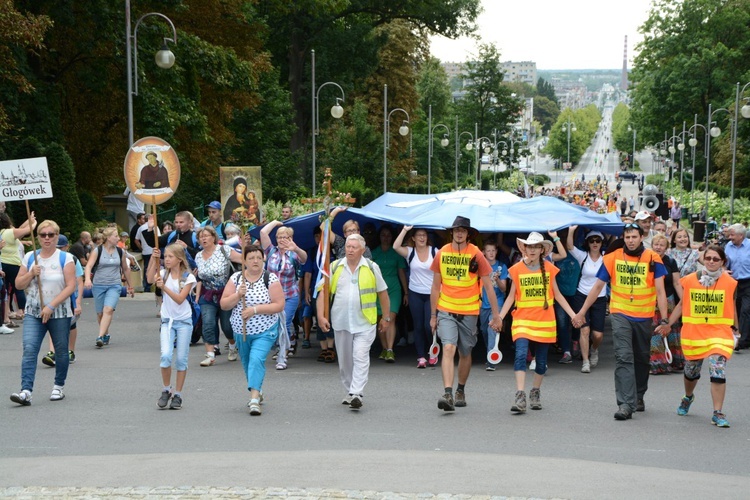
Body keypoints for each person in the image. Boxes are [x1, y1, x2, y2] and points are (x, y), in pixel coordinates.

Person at [573, 222, 669, 421]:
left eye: (634, 237)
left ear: (641, 238)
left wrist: (666, 319)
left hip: (644, 317)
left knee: (642, 359)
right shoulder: (612, 258)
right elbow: (598, 286)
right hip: (620, 314)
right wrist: (581, 312)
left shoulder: (653, 258)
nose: (631, 241)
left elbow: (660, 291)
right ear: (623, 239)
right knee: (624, 357)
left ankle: (639, 395)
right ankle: (625, 404)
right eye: (627, 237)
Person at [656, 245, 737, 428]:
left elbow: (732, 307)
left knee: (718, 369)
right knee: (691, 372)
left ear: (722, 262)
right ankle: (688, 396)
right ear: (703, 259)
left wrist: (736, 329)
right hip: (694, 333)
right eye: (708, 258)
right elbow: (681, 305)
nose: (711, 262)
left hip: (719, 333)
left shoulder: (730, 283)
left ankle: (717, 412)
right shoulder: (690, 280)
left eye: (716, 259)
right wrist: (668, 324)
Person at [498, 232, 577, 413]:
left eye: (536, 247)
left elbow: (557, 295)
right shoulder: (516, 269)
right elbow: (511, 297)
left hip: (544, 322)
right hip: (522, 320)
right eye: (529, 246)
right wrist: (500, 318)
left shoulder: (549, 268)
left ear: (542, 250)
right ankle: (520, 395)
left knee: (541, 363)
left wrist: (573, 315)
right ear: (524, 248)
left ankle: (535, 391)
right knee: (520, 355)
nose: (532, 250)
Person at [430, 216, 502, 412]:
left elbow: (488, 286)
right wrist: (434, 315)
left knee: (465, 353)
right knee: (448, 348)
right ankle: (447, 393)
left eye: (463, 230)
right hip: (446, 309)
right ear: (451, 233)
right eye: (456, 230)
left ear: (468, 234)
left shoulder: (476, 254)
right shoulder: (442, 253)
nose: (459, 233)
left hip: (470, 312)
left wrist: (496, 316)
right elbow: (436, 287)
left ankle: (460, 389)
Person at [317, 234, 389, 410]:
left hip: (365, 321)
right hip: (341, 321)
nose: (349, 250)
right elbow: (322, 293)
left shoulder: (372, 267)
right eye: (348, 246)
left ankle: (357, 393)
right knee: (345, 361)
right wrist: (320, 316)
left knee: (360, 355)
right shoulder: (334, 267)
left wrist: (386, 317)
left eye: (354, 247)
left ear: (362, 250)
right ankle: (350, 390)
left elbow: (383, 293)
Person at [9, 220, 76, 405]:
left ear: (57, 236)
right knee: (29, 349)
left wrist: (51, 306)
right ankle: (26, 391)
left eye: (51, 235)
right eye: (43, 235)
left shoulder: (65, 258)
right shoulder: (31, 257)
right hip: (33, 311)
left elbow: (71, 286)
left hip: (59, 312)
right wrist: (31, 273)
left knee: (61, 351)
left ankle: (58, 386)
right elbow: (18, 284)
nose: (47, 238)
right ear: (37, 237)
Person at [221, 244, 285, 416]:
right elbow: (224, 304)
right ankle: (257, 389)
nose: (255, 261)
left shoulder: (270, 279)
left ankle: (254, 399)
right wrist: (237, 295)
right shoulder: (236, 279)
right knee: (248, 364)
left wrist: (255, 310)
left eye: (258, 257)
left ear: (263, 258)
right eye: (251, 258)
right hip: (241, 331)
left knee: (256, 360)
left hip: (265, 330)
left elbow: (279, 305)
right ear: (244, 261)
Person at [147, 244, 196, 410]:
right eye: (165, 256)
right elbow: (148, 279)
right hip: (168, 321)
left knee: (181, 359)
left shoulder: (188, 278)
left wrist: (164, 287)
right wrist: (154, 260)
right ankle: (166, 389)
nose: (166, 259)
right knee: (166, 356)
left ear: (179, 259)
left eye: (170, 256)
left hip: (184, 322)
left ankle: (178, 394)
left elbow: (180, 299)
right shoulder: (162, 274)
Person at [260, 220, 307, 370]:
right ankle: (286, 342)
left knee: (284, 323)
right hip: (271, 296)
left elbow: (305, 259)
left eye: (285, 237)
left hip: (290, 294)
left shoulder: (294, 253)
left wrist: (296, 248)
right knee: (273, 324)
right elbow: (263, 233)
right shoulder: (270, 251)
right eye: (279, 237)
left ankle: (282, 355)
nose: (281, 239)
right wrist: (275, 223)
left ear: (291, 238)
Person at [194, 226, 243, 366]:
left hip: (225, 293)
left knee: (227, 326)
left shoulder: (224, 250)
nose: (203, 238)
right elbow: (199, 278)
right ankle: (210, 354)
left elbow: (243, 260)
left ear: (213, 237)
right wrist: (197, 296)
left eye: (206, 235)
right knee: (208, 323)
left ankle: (233, 346)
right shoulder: (198, 256)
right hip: (207, 294)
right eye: (200, 237)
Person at [393, 225, 438, 368]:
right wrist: (405, 229)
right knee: (417, 326)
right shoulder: (410, 252)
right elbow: (395, 246)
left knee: (428, 326)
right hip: (415, 293)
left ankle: (433, 352)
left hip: (432, 294)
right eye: (419, 235)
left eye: (424, 235)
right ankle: (421, 357)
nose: (422, 238)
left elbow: (442, 272)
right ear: (413, 238)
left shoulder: (435, 251)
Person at [84, 227, 134, 348]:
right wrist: (87, 279)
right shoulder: (98, 251)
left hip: (114, 285)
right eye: (116, 236)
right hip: (99, 285)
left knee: (108, 309)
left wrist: (130, 286)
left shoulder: (120, 251)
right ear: (108, 238)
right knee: (100, 313)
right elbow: (89, 266)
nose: (118, 238)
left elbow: (126, 268)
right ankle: (105, 333)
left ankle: (100, 336)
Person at [566, 227, 607, 373]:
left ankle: (594, 349)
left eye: (598, 240)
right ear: (587, 243)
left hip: (600, 298)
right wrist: (571, 230)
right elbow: (570, 246)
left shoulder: (607, 257)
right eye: (592, 240)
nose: (595, 243)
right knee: (585, 330)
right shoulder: (583, 256)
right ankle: (585, 361)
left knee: (598, 334)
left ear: (602, 242)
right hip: (582, 295)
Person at [41, 235, 84, 367]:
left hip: (69, 297)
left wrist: (78, 302)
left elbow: (79, 282)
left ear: (66, 247)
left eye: (61, 247)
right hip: (52, 297)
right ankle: (52, 352)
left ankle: (70, 350)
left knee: (71, 325)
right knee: (51, 321)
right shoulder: (47, 259)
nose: (58, 249)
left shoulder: (72, 259)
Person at [370, 225, 407, 363]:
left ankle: (390, 350)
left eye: (388, 235)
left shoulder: (396, 252)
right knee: (382, 319)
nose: (386, 238)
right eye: (383, 235)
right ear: (379, 237)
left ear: (392, 237)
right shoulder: (374, 253)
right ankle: (384, 348)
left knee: (390, 318)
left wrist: (406, 292)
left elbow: (401, 273)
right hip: (378, 290)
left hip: (394, 289)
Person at [650, 233, 684, 374]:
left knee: (671, 328)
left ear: (666, 248)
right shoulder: (648, 260)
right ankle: (657, 363)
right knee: (655, 330)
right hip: (652, 299)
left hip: (669, 299)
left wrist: (684, 301)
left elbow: (676, 282)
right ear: (652, 246)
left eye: (661, 245)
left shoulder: (671, 261)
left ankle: (674, 360)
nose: (658, 247)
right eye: (656, 245)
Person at [0, 211, 36, 329]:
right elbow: (26, 230)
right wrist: (34, 223)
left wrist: (28, 220)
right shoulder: (10, 232)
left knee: (5, 292)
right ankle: (23, 311)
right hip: (13, 263)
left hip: (2, 263)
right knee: (19, 288)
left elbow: (20, 229)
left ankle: (6, 316)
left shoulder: (2, 233)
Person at [480, 240, 507, 372]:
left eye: (493, 250)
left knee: (492, 330)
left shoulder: (502, 266)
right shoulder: (479, 266)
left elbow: (503, 289)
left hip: (498, 303)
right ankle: (490, 352)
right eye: (488, 251)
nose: (491, 253)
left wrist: (497, 279)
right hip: (482, 303)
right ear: (483, 253)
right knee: (484, 330)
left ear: (496, 252)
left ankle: (491, 360)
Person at [724, 224, 750, 350]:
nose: (730, 237)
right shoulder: (728, 246)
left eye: (732, 235)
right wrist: (724, 270)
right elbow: (725, 263)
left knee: (746, 310)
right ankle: (735, 335)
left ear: (741, 235)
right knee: (736, 310)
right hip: (733, 282)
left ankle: (742, 340)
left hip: (748, 282)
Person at [136, 214, 158, 293]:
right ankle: (152, 285)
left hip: (145, 252)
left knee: (147, 269)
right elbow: (158, 239)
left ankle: (146, 286)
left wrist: (141, 248)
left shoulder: (140, 228)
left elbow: (136, 240)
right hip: (153, 251)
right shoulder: (156, 227)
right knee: (154, 268)